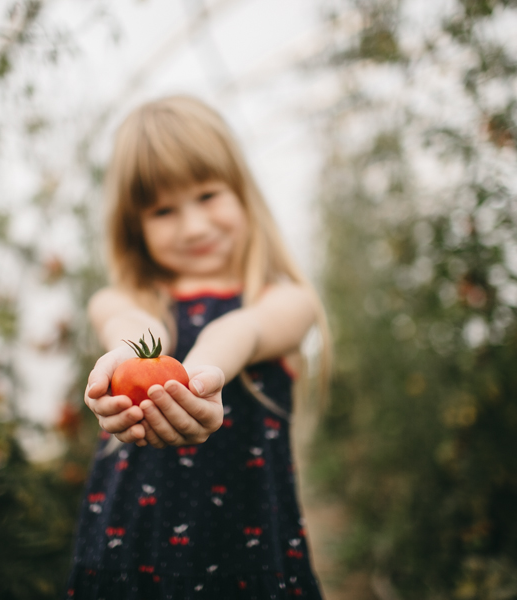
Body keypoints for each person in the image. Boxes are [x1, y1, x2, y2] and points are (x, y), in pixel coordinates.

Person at [66, 95, 330, 599]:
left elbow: (243, 331)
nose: (193, 226)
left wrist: (202, 374)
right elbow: (132, 325)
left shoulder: (285, 299)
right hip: (130, 553)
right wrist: (127, 357)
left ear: (242, 193)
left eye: (208, 195)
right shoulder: (125, 298)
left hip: (245, 557)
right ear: (135, 227)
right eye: (164, 210)